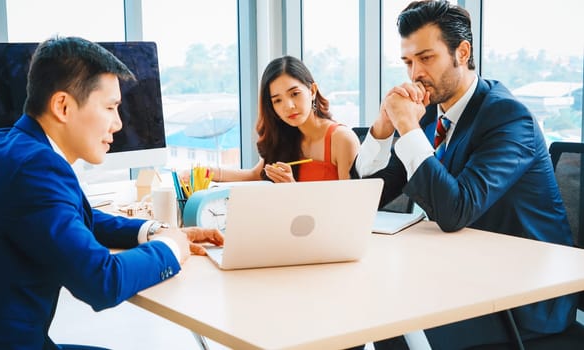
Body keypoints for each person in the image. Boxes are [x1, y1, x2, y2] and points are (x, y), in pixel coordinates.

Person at [0, 36, 223, 349]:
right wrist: (171, 249)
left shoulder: (17, 148)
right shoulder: (34, 168)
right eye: (111, 107)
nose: (118, 123)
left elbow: (76, 218)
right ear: (63, 106)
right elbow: (102, 282)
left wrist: (156, 231)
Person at [351, 1, 577, 349]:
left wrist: (407, 127)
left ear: (462, 52)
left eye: (426, 58)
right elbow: (369, 198)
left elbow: (455, 211)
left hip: (522, 297)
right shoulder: (428, 117)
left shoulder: (507, 118)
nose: (415, 75)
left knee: (391, 328)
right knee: (365, 308)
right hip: (460, 276)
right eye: (408, 62)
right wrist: (382, 130)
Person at [208, 55, 359, 183]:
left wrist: (292, 191)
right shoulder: (286, 137)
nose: (288, 106)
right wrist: (207, 172)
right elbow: (254, 175)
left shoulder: (342, 140)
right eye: (277, 100)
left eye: (294, 94)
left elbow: (350, 209)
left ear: (312, 91)